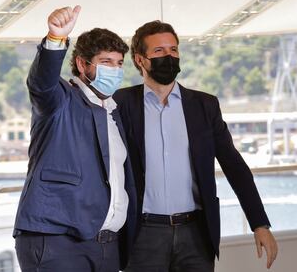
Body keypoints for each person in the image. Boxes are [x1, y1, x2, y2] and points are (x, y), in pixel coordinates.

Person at [113, 20, 278, 272]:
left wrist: (259, 224)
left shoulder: (204, 105)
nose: (169, 56)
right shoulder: (120, 104)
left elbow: (234, 166)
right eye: (159, 51)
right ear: (139, 59)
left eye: (173, 50)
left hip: (196, 235)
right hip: (142, 234)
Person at [13, 5, 137, 272]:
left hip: (106, 245)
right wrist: (55, 39)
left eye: (119, 63)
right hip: (58, 243)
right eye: (106, 62)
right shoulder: (60, 100)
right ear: (82, 64)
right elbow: (41, 83)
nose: (115, 70)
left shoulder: (114, 114)